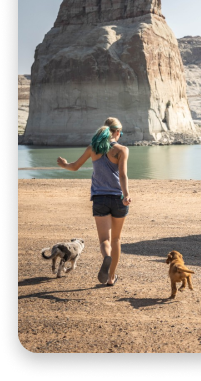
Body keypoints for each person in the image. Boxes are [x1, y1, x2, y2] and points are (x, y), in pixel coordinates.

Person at [57, 117, 132, 286]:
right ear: (117, 132)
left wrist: (64, 164)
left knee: (104, 240)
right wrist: (126, 195)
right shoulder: (122, 150)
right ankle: (111, 278)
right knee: (116, 239)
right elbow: (122, 175)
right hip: (118, 199)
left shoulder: (93, 148)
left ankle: (107, 257)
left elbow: (74, 167)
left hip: (100, 199)